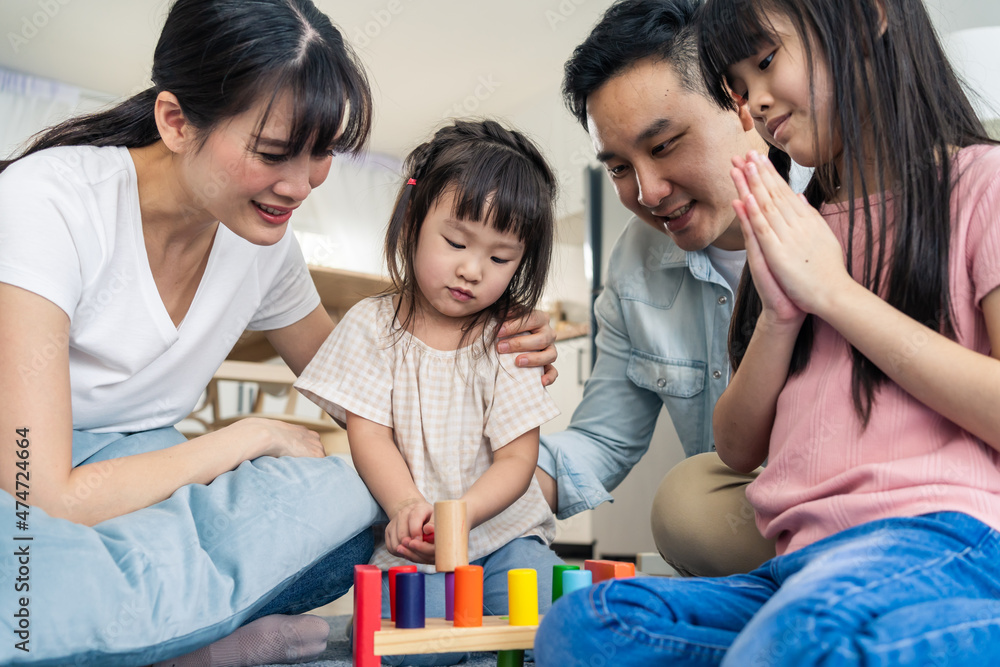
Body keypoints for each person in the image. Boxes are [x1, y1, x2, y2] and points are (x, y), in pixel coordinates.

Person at [0, 2, 556, 665]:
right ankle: (194, 645)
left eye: (321, 151)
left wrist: (478, 336)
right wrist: (250, 436)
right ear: (176, 122)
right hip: (30, 494)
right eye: (272, 152)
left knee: (353, 491)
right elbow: (44, 492)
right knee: (36, 578)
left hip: (152, 491)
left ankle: (169, 636)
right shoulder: (47, 204)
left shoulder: (263, 245)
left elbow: (368, 399)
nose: (300, 186)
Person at [535, 0, 1000, 663]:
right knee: (587, 626)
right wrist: (782, 315)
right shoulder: (782, 234)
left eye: (763, 67)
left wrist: (832, 294)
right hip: (795, 554)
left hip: (940, 536)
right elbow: (729, 442)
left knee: (810, 631)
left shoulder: (976, 185)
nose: (647, 189)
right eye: (617, 167)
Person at [295, 119, 565, 666]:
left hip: (505, 531)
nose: (471, 269)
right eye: (456, 241)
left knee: (538, 630)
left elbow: (518, 456)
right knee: (412, 649)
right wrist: (408, 508)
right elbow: (369, 435)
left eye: (499, 258)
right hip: (413, 536)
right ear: (414, 220)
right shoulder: (371, 325)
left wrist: (462, 515)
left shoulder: (508, 337)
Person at [535, 0, 776, 577]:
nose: (647, 191)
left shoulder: (850, 217)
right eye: (618, 167)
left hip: (862, 515)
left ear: (742, 102)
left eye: (664, 145)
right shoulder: (636, 262)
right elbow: (601, 439)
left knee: (686, 507)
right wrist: (482, 490)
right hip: (739, 544)